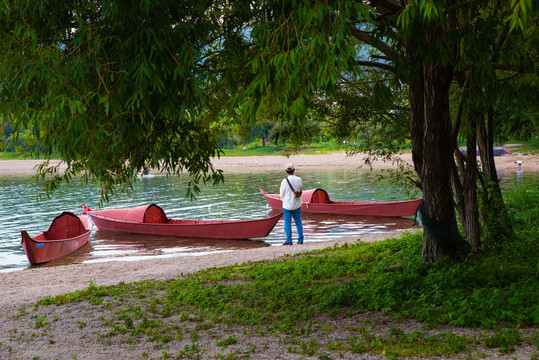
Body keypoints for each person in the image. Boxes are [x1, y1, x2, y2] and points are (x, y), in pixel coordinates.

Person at [280, 163, 304, 245]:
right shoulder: (299, 179)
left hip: (287, 205)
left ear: (286, 171)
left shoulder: (284, 181)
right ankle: (300, 240)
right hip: (297, 204)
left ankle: (289, 240)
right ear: (294, 170)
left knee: (287, 222)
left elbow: (281, 195)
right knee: (298, 221)